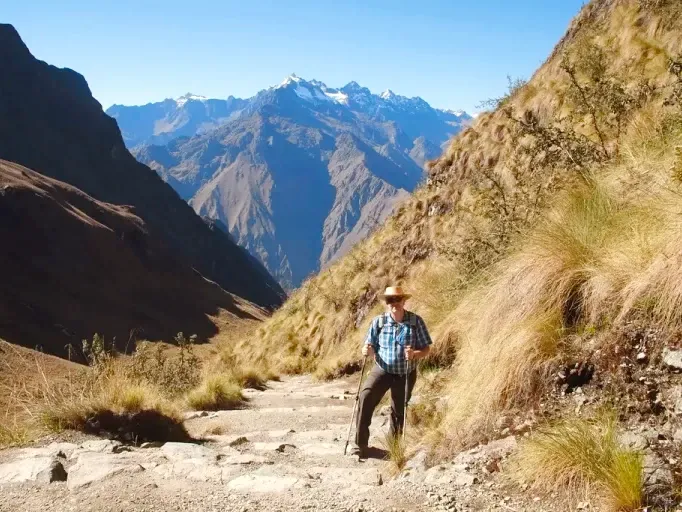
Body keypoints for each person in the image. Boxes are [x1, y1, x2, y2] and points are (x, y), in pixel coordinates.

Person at [349, 286, 432, 459]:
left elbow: (426, 349)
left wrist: (414, 354)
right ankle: (359, 444)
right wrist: (367, 350)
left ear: (403, 300)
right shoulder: (379, 322)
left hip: (406, 372)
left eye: (397, 299)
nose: (394, 303)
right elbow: (369, 345)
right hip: (382, 369)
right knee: (365, 397)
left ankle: (393, 449)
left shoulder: (416, 322)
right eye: (390, 300)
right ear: (386, 303)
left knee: (398, 410)